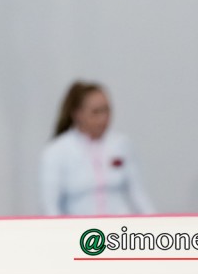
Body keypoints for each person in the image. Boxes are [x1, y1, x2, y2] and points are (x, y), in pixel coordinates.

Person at [39, 81, 155, 216]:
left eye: (106, 110)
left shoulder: (121, 144)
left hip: (119, 225)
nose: (103, 118)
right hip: (80, 226)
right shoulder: (56, 151)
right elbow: (49, 205)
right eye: (96, 112)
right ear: (77, 114)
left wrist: (155, 222)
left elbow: (138, 193)